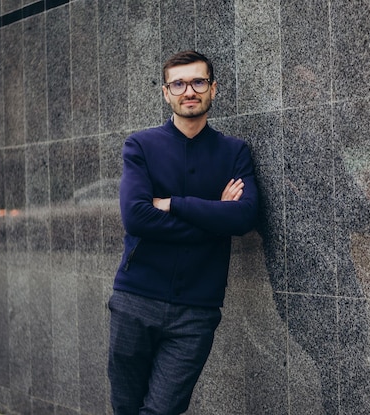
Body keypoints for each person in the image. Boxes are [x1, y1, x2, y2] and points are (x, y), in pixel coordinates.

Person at [108, 50, 259, 415]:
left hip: (197, 310)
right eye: (178, 83)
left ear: (213, 89)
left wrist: (174, 204)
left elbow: (243, 218)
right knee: (126, 408)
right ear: (165, 93)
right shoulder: (140, 146)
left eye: (197, 81)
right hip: (135, 300)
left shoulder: (234, 152)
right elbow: (138, 218)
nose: (188, 90)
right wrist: (214, 219)